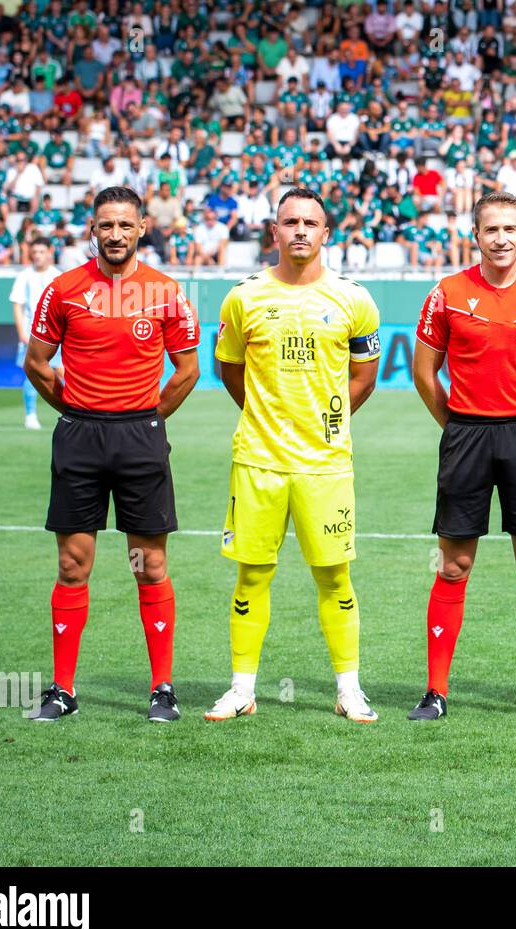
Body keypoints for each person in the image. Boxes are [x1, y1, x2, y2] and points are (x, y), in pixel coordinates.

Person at [22, 185, 200, 722]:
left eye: (125, 225)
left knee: (149, 565)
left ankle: (162, 689)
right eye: (106, 225)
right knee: (73, 565)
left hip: (140, 439)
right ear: (92, 230)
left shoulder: (166, 292)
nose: (116, 234)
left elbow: (187, 371)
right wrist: (76, 410)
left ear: (143, 227)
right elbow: (37, 363)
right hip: (79, 436)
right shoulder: (64, 290)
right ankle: (62, 690)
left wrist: (146, 420)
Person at [206, 188, 382, 724]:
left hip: (325, 465)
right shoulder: (244, 297)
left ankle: (349, 688)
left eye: (311, 222)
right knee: (252, 576)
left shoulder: (354, 299)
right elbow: (229, 368)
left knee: (334, 577)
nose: (301, 230)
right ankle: (242, 688)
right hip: (257, 461)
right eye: (290, 222)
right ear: (274, 232)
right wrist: (260, 413)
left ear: (326, 233)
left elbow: (364, 374)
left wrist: (330, 422)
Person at [410, 191, 516, 723]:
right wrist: (458, 425)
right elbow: (424, 371)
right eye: (491, 230)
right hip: (467, 438)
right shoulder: (448, 293)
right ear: (475, 236)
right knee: (455, 565)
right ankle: (436, 691)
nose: (501, 239)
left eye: (511, 229)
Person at [11, 236, 62, 429]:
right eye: (34, 252)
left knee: (63, 372)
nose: (37, 256)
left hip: (55, 336)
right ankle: (30, 415)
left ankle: (73, 410)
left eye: (41, 252)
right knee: (31, 373)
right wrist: (22, 333)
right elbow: (18, 305)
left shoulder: (58, 276)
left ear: (50, 252)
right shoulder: (24, 276)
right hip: (31, 336)